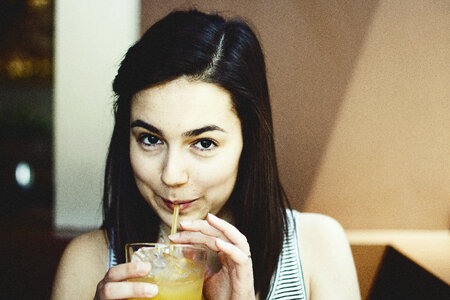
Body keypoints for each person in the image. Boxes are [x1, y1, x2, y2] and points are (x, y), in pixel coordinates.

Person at [52, 9, 360, 300]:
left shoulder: (317, 248)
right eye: (149, 139)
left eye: (204, 143)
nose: (171, 175)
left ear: (248, 142)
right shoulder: (87, 263)